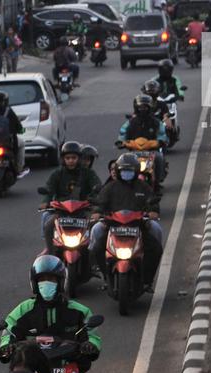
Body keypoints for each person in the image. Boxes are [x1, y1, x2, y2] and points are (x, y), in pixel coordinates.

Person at [0, 255, 103, 370]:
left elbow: (92, 335)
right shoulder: (23, 310)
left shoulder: (80, 311)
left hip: (66, 366)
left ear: (61, 282)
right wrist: (6, 346)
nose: (46, 282)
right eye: (42, 279)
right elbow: (9, 331)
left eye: (51, 279)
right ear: (35, 283)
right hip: (31, 368)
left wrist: (90, 345)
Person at [90, 152, 164, 288]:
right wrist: (97, 213)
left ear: (136, 170)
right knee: (96, 238)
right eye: (123, 170)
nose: (126, 173)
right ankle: (105, 275)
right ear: (118, 171)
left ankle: (147, 280)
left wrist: (153, 211)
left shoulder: (143, 186)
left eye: (129, 170)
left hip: (139, 225)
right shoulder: (110, 187)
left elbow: (152, 201)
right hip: (113, 225)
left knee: (156, 238)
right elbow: (100, 203)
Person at [40, 141, 103, 252]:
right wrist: (46, 201)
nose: (71, 161)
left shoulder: (88, 173)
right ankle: (50, 250)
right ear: (63, 159)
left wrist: (95, 200)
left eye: (73, 158)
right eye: (68, 158)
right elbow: (49, 188)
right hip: (61, 210)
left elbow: (97, 186)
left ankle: (93, 254)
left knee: (95, 226)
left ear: (79, 158)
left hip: (83, 209)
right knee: (49, 225)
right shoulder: (57, 173)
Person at [117, 94, 168, 184]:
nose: (142, 109)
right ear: (136, 108)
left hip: (151, 151)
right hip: (133, 151)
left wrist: (161, 141)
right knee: (119, 162)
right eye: (140, 107)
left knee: (159, 158)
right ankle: (120, 182)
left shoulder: (156, 122)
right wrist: (121, 141)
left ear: (150, 107)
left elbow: (162, 134)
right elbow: (122, 132)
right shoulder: (130, 122)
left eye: (145, 107)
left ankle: (157, 182)